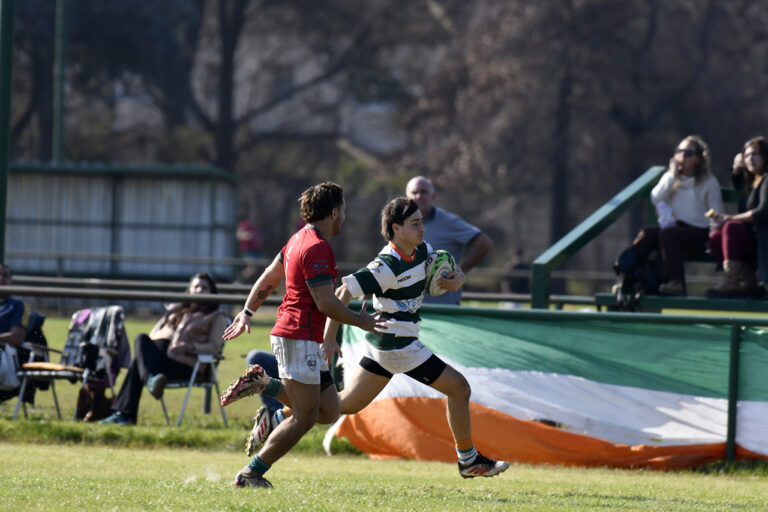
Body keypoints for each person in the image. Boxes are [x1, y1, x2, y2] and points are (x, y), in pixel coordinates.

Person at [246, 198, 510, 479]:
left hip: (384, 347)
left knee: (342, 405)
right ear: (397, 228)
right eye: (415, 223)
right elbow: (343, 291)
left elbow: (446, 271)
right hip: (399, 345)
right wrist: (330, 339)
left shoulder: (421, 250)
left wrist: (458, 279)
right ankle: (468, 460)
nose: (423, 228)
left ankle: (275, 415)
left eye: (422, 221)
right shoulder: (386, 265)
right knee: (459, 388)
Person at [221, 181, 385, 489]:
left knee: (329, 410)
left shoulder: (297, 240)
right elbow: (326, 301)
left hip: (300, 337)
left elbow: (270, 276)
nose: (345, 217)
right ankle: (250, 474)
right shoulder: (317, 248)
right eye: (344, 210)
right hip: (298, 337)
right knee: (304, 416)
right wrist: (361, 321)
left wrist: (247, 311)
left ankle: (264, 385)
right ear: (334, 212)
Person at [100, 272, 227, 426]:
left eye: (204, 287)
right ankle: (147, 385)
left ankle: (125, 413)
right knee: (142, 340)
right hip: (163, 361)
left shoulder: (216, 317)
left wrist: (190, 346)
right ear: (189, 290)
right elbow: (153, 334)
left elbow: (214, 347)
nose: (199, 290)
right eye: (196, 286)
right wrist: (171, 318)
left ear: (212, 293)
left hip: (188, 365)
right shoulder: (176, 311)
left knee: (138, 359)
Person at [613, 135, 723, 297]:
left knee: (667, 234)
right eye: (679, 152)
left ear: (698, 159)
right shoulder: (670, 178)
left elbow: (716, 213)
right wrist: (672, 176)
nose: (682, 157)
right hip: (672, 230)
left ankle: (675, 282)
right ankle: (625, 273)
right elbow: (655, 198)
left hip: (696, 233)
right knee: (648, 234)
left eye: (688, 154)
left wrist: (713, 236)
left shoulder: (708, 182)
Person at [405, 176, 493, 304]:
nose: (419, 196)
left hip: (442, 308)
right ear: (407, 197)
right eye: (414, 192)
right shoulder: (399, 223)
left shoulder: (448, 221)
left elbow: (484, 243)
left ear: (433, 196)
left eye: (424, 192)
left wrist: (460, 271)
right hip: (407, 310)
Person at [707, 137, 768, 297]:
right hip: (750, 243)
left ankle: (731, 280)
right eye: (746, 156)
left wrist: (730, 218)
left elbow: (761, 212)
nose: (750, 159)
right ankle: (748, 278)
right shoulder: (752, 182)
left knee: (731, 227)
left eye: (755, 154)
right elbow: (738, 184)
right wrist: (736, 168)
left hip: (762, 242)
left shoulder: (767, 179)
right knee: (715, 237)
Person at [0, 263, 29, 403]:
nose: (1, 278)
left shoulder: (18, 306)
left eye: (5, 275)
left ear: (12, 282)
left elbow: (16, 337)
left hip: (6, 356)